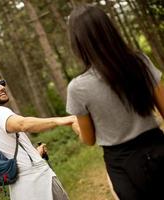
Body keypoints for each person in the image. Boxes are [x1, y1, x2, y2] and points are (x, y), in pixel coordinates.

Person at [66, 5, 164, 200]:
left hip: (122, 166)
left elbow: (89, 139)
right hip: (157, 149)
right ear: (110, 30)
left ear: (77, 42)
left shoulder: (78, 88)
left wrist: (77, 128)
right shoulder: (139, 62)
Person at [0, 71, 75, 200]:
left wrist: (34, 154)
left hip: (21, 188)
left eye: (2, 83)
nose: (1, 87)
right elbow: (23, 124)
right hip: (39, 181)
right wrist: (59, 120)